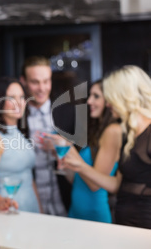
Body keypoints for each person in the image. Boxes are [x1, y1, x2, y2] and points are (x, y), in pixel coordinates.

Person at [63, 65, 151, 229]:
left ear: (124, 96)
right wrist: (79, 166)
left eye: (109, 97)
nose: (108, 104)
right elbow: (117, 185)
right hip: (124, 224)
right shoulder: (128, 134)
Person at [63, 80, 121, 223]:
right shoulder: (96, 129)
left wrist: (69, 149)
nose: (89, 101)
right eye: (90, 95)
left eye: (96, 96)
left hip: (94, 214)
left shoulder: (113, 130)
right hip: (76, 211)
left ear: (109, 100)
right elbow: (77, 179)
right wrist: (64, 162)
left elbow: (95, 185)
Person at [0, 77, 41, 213]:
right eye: (12, 98)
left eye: (21, 97)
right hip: (9, 211)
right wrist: (3, 202)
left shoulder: (22, 134)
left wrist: (40, 210)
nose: (18, 103)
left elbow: (29, 179)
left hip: (32, 209)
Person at [19, 56, 70, 216]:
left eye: (46, 81)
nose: (42, 88)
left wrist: (65, 148)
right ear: (23, 81)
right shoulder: (17, 117)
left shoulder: (67, 112)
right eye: (35, 82)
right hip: (31, 203)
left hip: (65, 200)